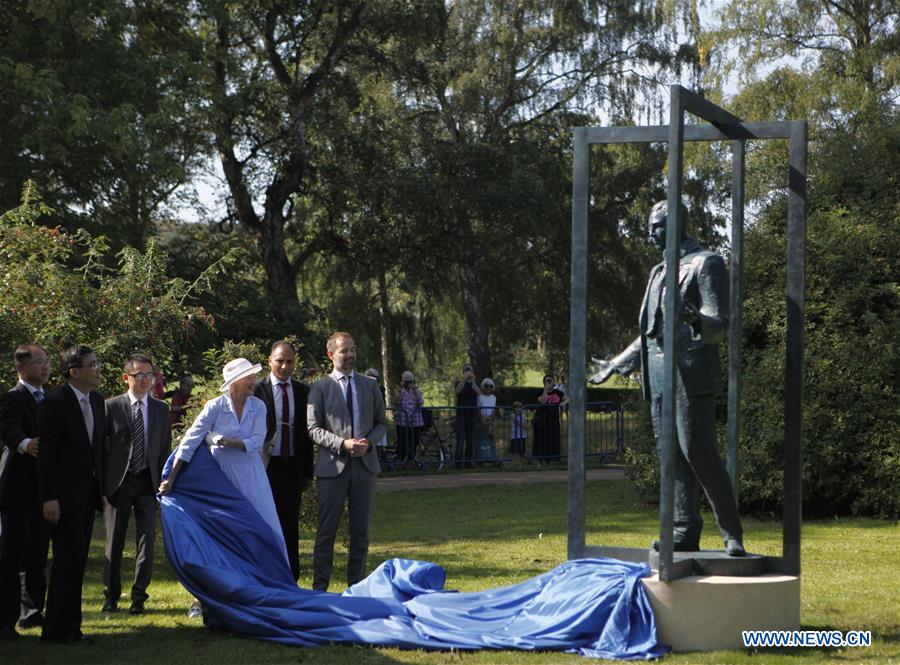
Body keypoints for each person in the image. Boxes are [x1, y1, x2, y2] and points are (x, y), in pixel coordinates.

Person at [589, 200, 745, 556]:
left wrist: (694, 320)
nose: (650, 232)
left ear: (676, 224)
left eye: (657, 225)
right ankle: (683, 530)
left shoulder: (707, 263)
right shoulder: (659, 270)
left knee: (699, 452)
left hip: (691, 373)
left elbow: (720, 322)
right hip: (659, 375)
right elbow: (650, 332)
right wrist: (617, 363)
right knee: (670, 456)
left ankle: (731, 532)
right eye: (650, 225)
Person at [37, 345, 105, 644]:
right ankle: (56, 629)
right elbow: (46, 455)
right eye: (92, 365)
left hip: (87, 495)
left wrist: (101, 490)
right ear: (74, 371)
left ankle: (71, 627)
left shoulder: (98, 401)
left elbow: (97, 452)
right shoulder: (56, 402)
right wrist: (49, 497)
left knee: (77, 560)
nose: (97, 368)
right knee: (65, 561)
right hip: (62, 497)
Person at [307, 332, 386, 591]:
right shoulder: (320, 388)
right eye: (344, 351)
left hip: (365, 467)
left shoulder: (370, 385)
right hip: (333, 468)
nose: (350, 355)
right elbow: (313, 429)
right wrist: (343, 444)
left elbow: (381, 423)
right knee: (326, 533)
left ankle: (357, 587)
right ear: (331, 354)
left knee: (360, 533)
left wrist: (369, 444)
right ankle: (320, 589)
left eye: (353, 350)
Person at [101, 354, 172, 615]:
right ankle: (111, 596)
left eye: (149, 375)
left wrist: (165, 481)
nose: (144, 381)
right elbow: (101, 449)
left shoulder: (161, 409)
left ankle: (139, 596)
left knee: (147, 540)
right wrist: (102, 487)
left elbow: (164, 447)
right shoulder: (111, 406)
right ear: (126, 378)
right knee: (114, 541)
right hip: (118, 483)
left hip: (147, 481)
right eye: (139, 375)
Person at [0, 344, 52, 639]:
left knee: (37, 554)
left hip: (44, 489)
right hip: (17, 489)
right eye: (39, 362)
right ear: (22, 367)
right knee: (12, 555)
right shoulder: (12, 398)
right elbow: (8, 429)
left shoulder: (52, 399)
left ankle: (32, 613)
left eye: (47, 362)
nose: (45, 367)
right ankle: (5, 620)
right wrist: (25, 444)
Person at [253, 341, 314, 582]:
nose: (284, 366)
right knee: (264, 525)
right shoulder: (257, 389)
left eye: (289, 361)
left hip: (292, 467)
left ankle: (291, 578)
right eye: (279, 361)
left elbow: (307, 435)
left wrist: (308, 472)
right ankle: (263, 576)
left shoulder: (302, 391)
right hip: (265, 467)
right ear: (270, 361)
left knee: (290, 526)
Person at [532, 375, 569, 462]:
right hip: (542, 420)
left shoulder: (557, 392)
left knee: (553, 439)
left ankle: (554, 458)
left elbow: (567, 398)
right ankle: (541, 458)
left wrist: (562, 404)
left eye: (550, 380)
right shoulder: (540, 391)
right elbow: (543, 401)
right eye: (547, 381)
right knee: (542, 439)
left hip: (554, 420)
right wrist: (545, 389)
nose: (549, 382)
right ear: (544, 382)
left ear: (554, 382)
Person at [392, 370, 423, 467]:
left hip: (415, 421)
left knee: (414, 441)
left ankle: (412, 460)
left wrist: (415, 391)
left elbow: (421, 402)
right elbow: (397, 401)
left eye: (410, 381)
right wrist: (401, 389)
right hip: (402, 421)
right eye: (406, 381)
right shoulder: (398, 390)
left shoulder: (417, 390)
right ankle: (402, 461)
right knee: (403, 441)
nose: (408, 383)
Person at [453, 364, 481, 468]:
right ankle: (458, 464)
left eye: (470, 369)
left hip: (471, 415)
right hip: (461, 415)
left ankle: (468, 463)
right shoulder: (459, 383)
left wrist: (472, 381)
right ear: (463, 371)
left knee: (470, 440)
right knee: (460, 440)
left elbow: (479, 393)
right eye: (466, 369)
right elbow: (457, 391)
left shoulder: (474, 384)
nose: (468, 371)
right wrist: (464, 379)